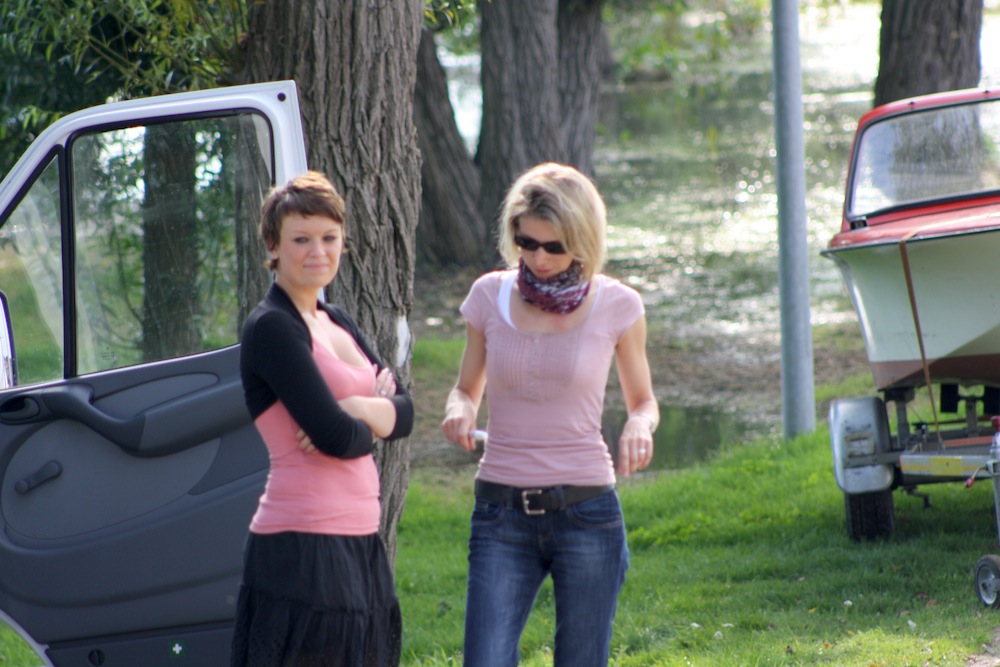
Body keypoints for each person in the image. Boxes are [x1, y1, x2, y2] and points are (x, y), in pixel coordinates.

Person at [441, 162, 659, 666]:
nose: (538, 258)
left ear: (582, 240)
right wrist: (458, 410)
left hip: (587, 512)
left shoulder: (618, 305)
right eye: (526, 243)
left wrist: (638, 425)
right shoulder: (488, 295)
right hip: (500, 513)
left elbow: (644, 402)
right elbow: (465, 389)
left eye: (554, 247)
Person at [231, 171, 413, 667]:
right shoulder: (272, 326)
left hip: (360, 538)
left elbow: (406, 413)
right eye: (301, 239)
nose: (318, 252)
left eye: (329, 238)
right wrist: (368, 413)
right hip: (303, 545)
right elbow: (336, 438)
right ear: (273, 246)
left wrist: (355, 409)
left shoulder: (337, 320)